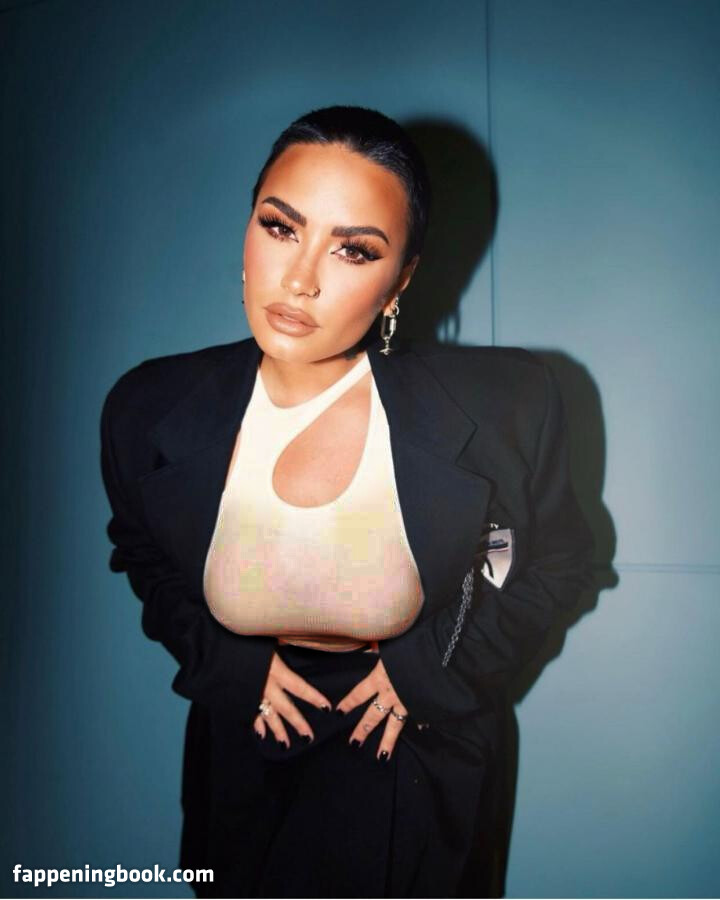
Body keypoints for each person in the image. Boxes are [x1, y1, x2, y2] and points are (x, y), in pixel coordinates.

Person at [99, 105, 594, 898]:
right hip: (244, 759)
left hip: (418, 759)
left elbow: (558, 562)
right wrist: (224, 664)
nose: (300, 279)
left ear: (401, 280)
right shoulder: (147, 409)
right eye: (280, 227)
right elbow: (141, 552)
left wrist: (431, 674)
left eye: (353, 249)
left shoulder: (506, 407)